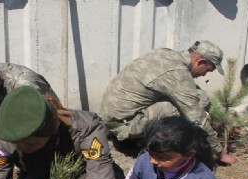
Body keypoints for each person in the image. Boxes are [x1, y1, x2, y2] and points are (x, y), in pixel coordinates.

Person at [99, 40, 238, 165]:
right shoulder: (178, 74)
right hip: (125, 126)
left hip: (112, 119)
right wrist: (220, 153)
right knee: (191, 105)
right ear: (200, 61)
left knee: (197, 95)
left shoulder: (164, 53)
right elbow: (197, 117)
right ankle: (151, 145)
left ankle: (140, 138)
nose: (204, 75)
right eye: (207, 70)